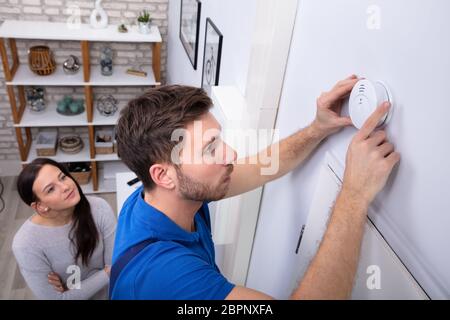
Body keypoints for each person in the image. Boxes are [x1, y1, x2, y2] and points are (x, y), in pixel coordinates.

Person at [110, 75, 400, 299]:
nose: (231, 154)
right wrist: (355, 195)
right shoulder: (166, 275)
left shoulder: (167, 197)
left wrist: (318, 128)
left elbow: (264, 166)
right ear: (163, 175)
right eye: (210, 149)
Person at [12, 158, 117, 299]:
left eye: (62, 177)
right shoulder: (25, 244)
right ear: (40, 206)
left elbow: (117, 267)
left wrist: (71, 289)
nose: (65, 186)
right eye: (51, 189)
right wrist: (106, 274)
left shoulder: (99, 208)